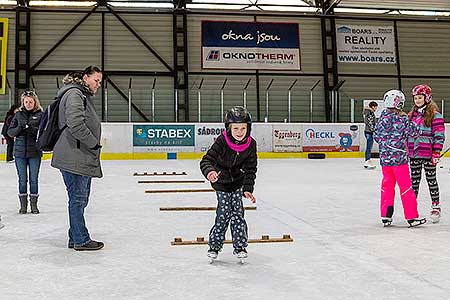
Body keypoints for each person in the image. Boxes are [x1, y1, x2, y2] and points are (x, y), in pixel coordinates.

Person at [51, 66, 104, 251]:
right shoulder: (75, 94)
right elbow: (75, 123)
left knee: (78, 198)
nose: (99, 84)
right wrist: (93, 143)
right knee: (78, 199)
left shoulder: (79, 94)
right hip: (75, 155)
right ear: (85, 77)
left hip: (77, 154)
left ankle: (75, 236)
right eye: (96, 80)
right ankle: (81, 239)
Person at [200, 106, 257, 261]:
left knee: (238, 213)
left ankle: (240, 247)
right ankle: (214, 246)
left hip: (238, 181)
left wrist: (248, 188)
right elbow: (206, 160)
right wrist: (210, 172)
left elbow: (250, 169)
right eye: (236, 128)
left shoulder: (251, 144)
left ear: (248, 128)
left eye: (243, 128)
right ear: (229, 128)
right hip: (221, 181)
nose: (240, 132)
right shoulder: (222, 141)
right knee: (224, 213)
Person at [373, 89, 426, 227]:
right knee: (406, 187)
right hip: (399, 161)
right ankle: (411, 216)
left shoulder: (381, 119)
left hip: (385, 160)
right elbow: (415, 132)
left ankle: (386, 215)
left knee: (387, 187)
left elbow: (376, 137)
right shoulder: (402, 119)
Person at [407, 84, 445, 223]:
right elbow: (407, 134)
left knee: (431, 180)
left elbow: (439, 135)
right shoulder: (411, 115)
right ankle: (411, 208)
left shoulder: (435, 115)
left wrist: (436, 152)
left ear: (427, 98)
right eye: (415, 98)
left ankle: (436, 206)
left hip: (428, 154)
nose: (417, 100)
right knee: (414, 182)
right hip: (414, 154)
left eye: (420, 97)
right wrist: (407, 150)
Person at [7, 91, 43, 214]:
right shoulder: (18, 115)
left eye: (30, 102)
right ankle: (23, 206)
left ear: (35, 102)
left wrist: (30, 128)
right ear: (23, 102)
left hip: (35, 153)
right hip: (20, 153)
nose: (28, 104)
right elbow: (10, 133)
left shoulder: (40, 115)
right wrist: (20, 128)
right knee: (22, 179)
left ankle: (34, 205)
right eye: (26, 102)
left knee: (34, 179)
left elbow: (42, 132)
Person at [363, 101, 378, 169]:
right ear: (373, 107)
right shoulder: (369, 113)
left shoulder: (369, 113)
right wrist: (374, 130)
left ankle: (367, 160)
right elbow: (369, 123)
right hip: (369, 132)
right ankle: (367, 160)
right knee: (369, 147)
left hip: (369, 131)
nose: (376, 109)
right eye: (375, 107)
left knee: (369, 146)